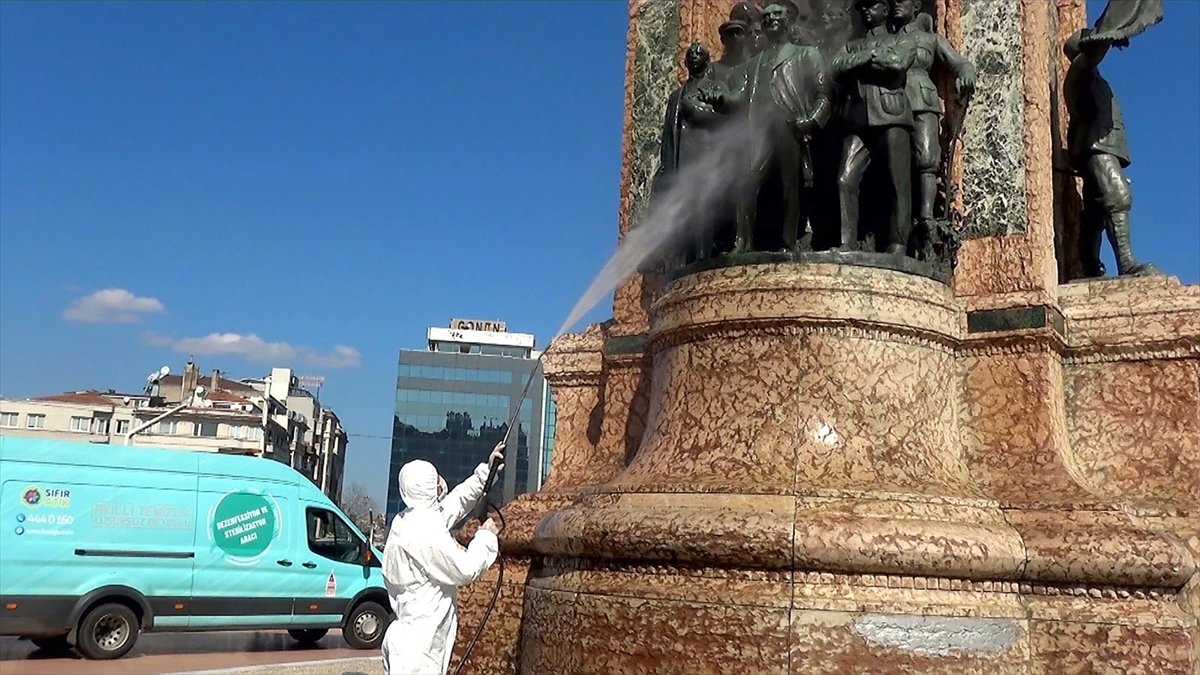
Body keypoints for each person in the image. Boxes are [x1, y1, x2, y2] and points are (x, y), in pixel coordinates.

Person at [381, 441, 505, 675]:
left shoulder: (410, 520)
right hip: (419, 649)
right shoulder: (424, 532)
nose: (440, 483)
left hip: (407, 639)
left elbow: (456, 502)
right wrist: (486, 537)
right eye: (435, 478)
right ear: (428, 487)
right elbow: (466, 568)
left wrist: (487, 471)